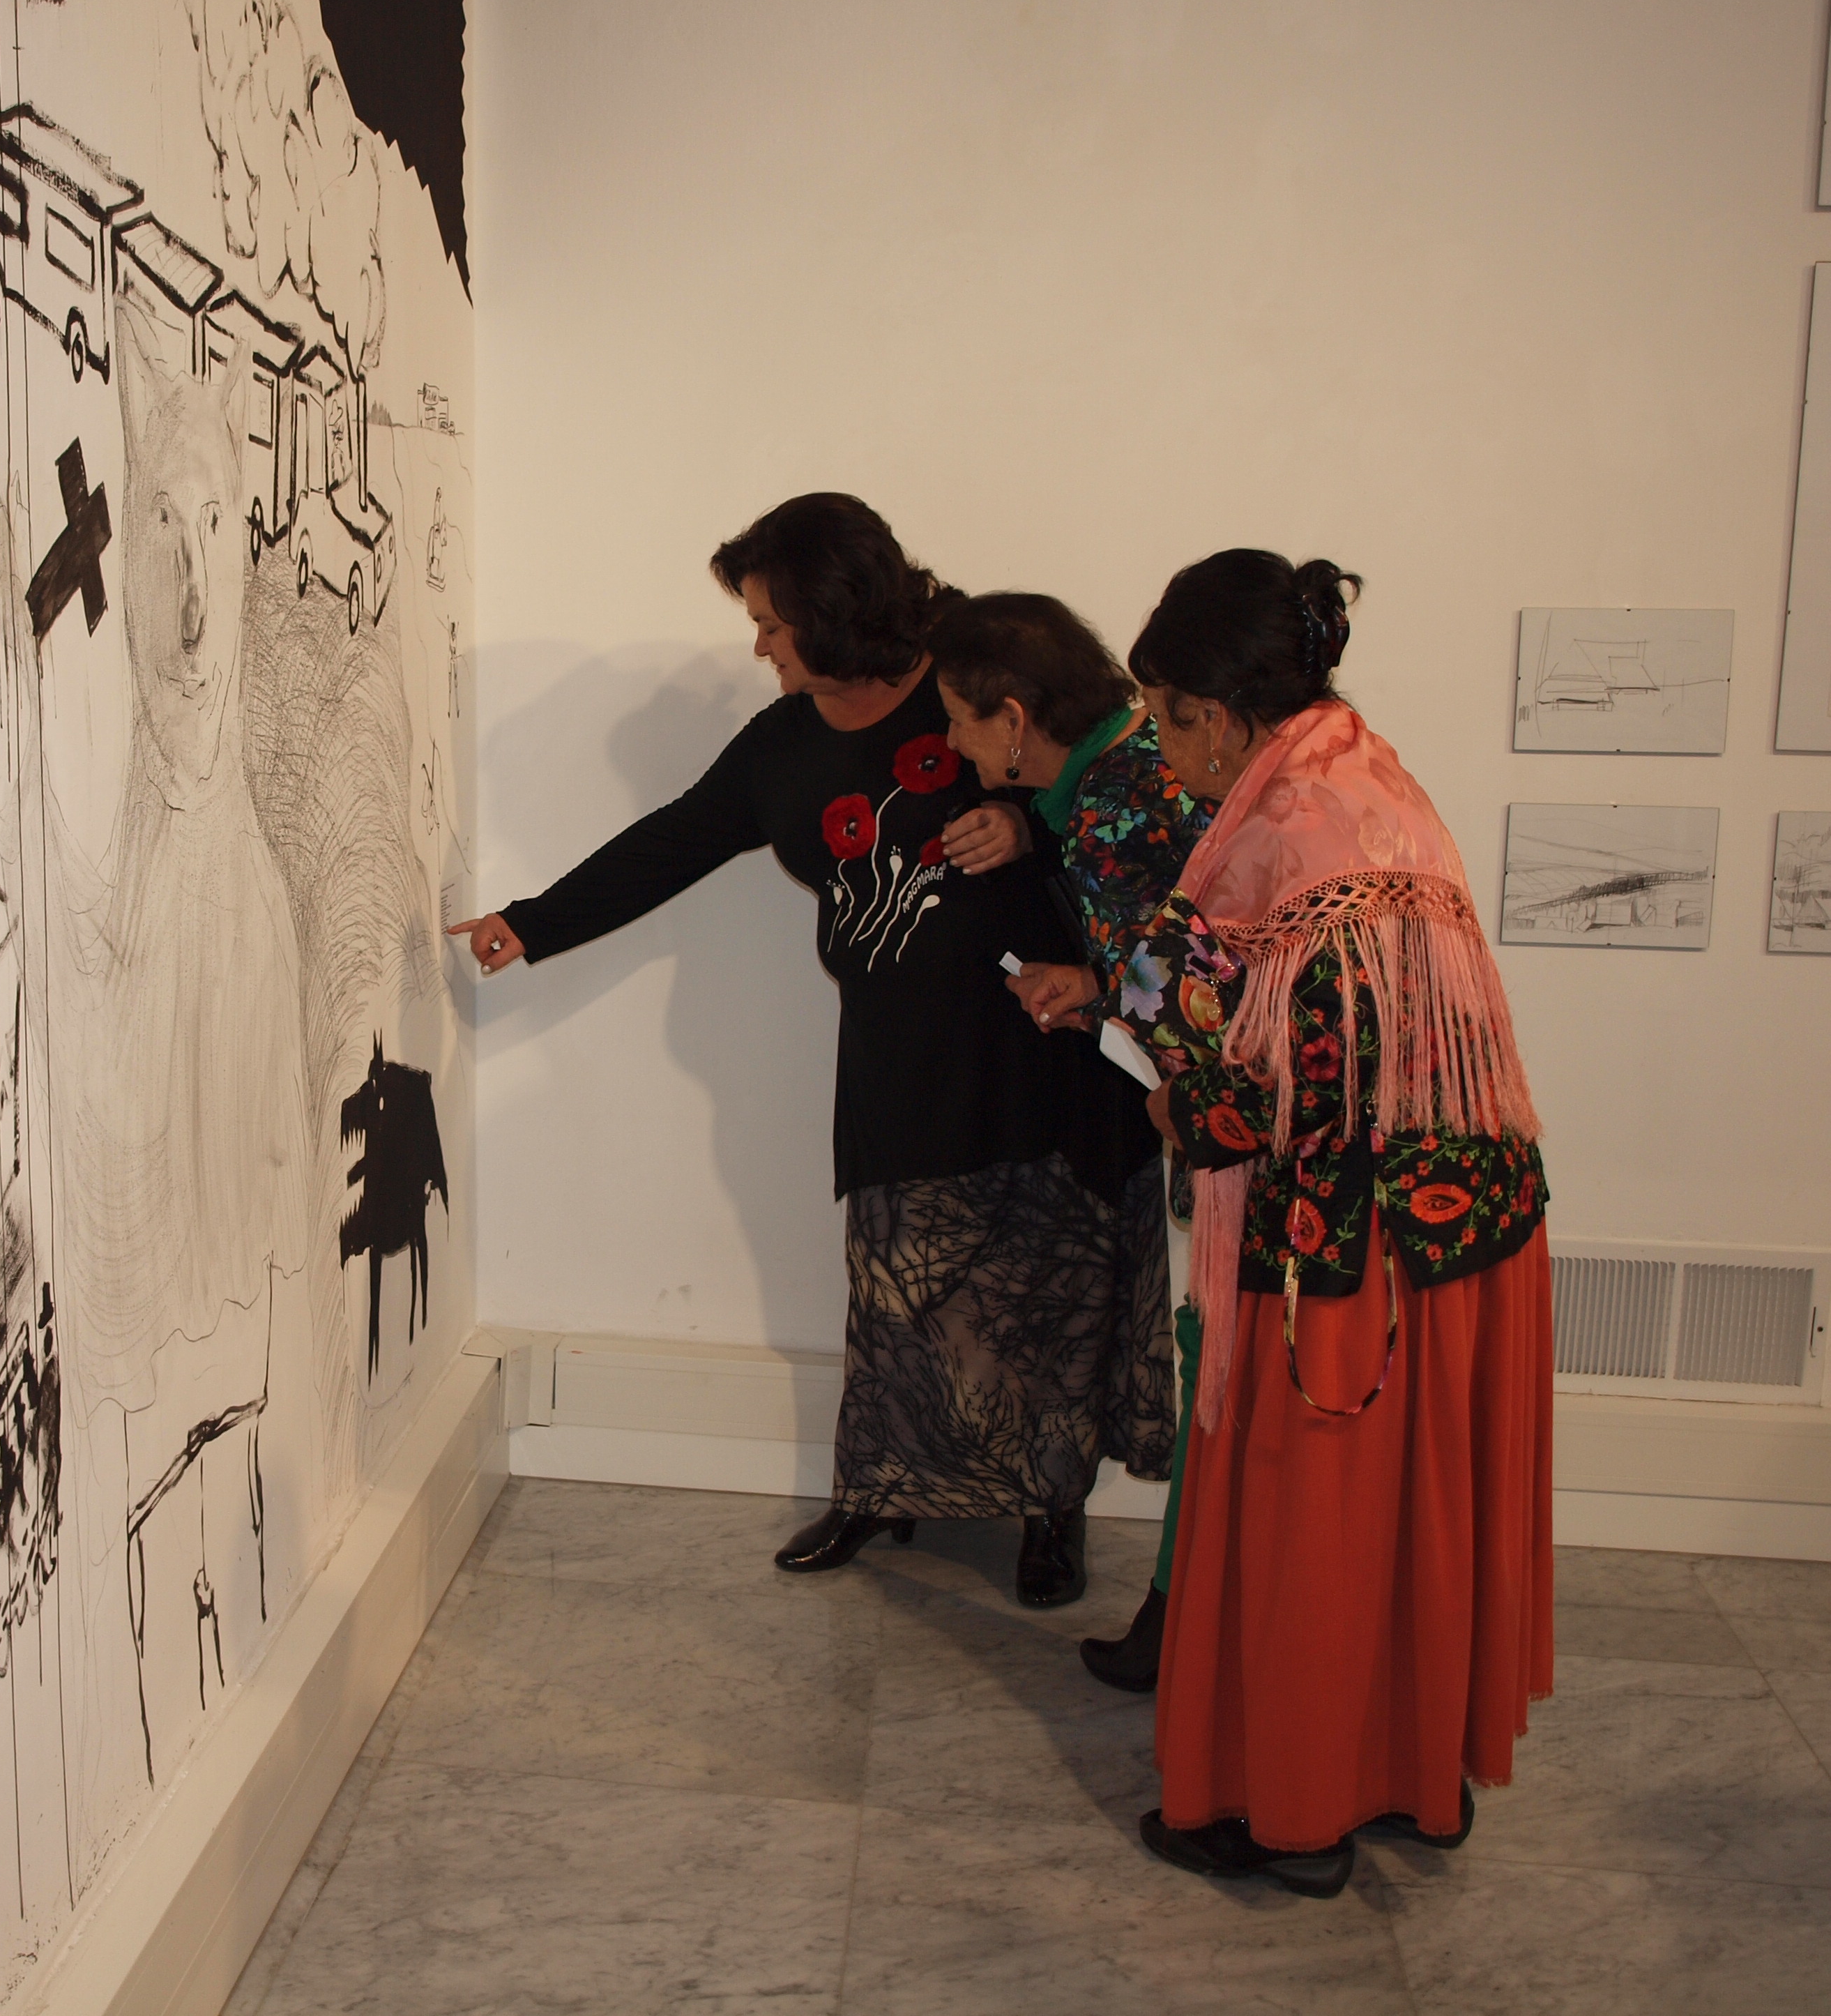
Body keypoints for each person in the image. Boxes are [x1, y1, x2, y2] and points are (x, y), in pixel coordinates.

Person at [447, 494, 1171, 1604]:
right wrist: (531, 922)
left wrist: (1024, 825)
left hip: (1042, 1044)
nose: (760, 646)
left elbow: (1097, 763)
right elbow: (675, 840)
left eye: (771, 624)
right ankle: (880, 1491)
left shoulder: (967, 670)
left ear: (832, 615)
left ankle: (1048, 1514)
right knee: (894, 1283)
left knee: (1046, 1281)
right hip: (900, 1054)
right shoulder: (783, 747)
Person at [1116, 550, 1552, 1899]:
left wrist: (1178, 1102)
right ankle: (1418, 1776)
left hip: (1339, 1256)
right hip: (1466, 1230)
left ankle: (1293, 1815)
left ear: (1215, 712)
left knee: (1314, 1525)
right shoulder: (1375, 780)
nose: (1163, 755)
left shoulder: (1284, 829)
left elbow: (1280, 1082)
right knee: (1418, 1517)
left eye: (1163, 721)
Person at [924, 588, 1213, 1690]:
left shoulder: (1111, 802)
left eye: (959, 720)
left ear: (1012, 718)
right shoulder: (1123, 769)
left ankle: (1181, 1622)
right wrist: (1094, 985)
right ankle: (1178, 1615)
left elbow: (1197, 982)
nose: (952, 746)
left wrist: (1104, 996)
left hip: (1230, 1122)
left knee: (1221, 1371)